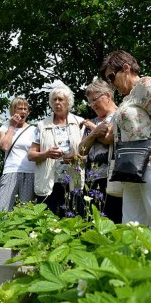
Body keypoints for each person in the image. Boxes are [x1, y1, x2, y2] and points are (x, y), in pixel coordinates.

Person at [100, 50, 151, 232]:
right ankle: (134, 260)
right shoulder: (128, 98)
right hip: (130, 168)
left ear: (126, 68)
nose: (111, 84)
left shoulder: (147, 85)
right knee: (131, 225)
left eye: (111, 77)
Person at [28, 84, 85, 217]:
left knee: (74, 220)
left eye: (60, 99)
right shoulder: (42, 125)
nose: (57, 103)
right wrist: (46, 154)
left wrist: (77, 157)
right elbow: (31, 155)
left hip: (73, 180)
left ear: (68, 102)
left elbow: (88, 154)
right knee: (47, 221)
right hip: (48, 181)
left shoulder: (79, 123)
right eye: (54, 100)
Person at [78, 79, 122, 223]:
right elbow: (82, 150)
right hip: (92, 179)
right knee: (92, 221)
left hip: (114, 178)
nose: (93, 105)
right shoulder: (93, 122)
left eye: (95, 99)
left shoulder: (120, 114)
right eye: (90, 102)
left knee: (114, 220)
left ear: (108, 96)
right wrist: (94, 132)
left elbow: (110, 138)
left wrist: (92, 129)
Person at [0, 97, 36, 211]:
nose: (23, 111)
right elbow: (4, 146)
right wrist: (12, 126)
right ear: (13, 110)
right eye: (20, 108)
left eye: (26, 109)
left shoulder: (33, 129)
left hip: (29, 172)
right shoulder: (5, 127)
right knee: (3, 210)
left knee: (26, 211)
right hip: (10, 171)